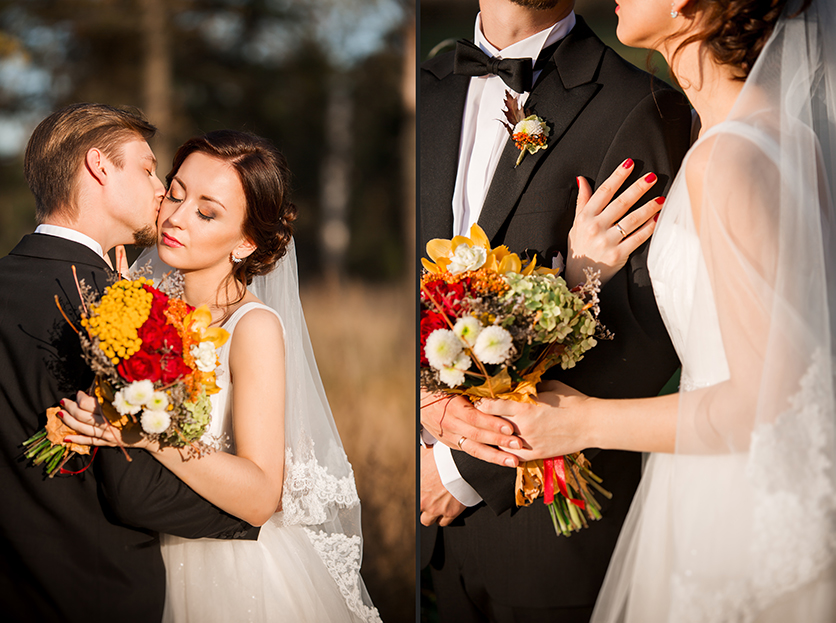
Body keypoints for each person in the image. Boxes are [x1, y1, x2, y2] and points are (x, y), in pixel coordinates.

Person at [458, 0, 836, 621]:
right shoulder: (771, 140)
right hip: (738, 490)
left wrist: (583, 422)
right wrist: (579, 273)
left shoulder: (730, 160)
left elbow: (773, 402)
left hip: (738, 509)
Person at [419, 0, 692, 620]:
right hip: (416, 544)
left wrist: (458, 466)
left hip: (548, 538)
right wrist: (420, 397)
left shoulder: (644, 107)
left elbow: (644, 336)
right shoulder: (423, 93)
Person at [60, 130, 381, 623]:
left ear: (246, 241)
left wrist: (144, 433)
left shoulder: (252, 328)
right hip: (139, 556)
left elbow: (259, 497)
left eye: (207, 213)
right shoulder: (140, 304)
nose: (176, 218)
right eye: (176, 192)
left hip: (228, 572)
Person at [0, 103, 260, 623]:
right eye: (146, 170)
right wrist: (253, 519)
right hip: (95, 594)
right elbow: (135, 494)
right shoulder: (113, 309)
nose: (160, 192)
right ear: (99, 167)